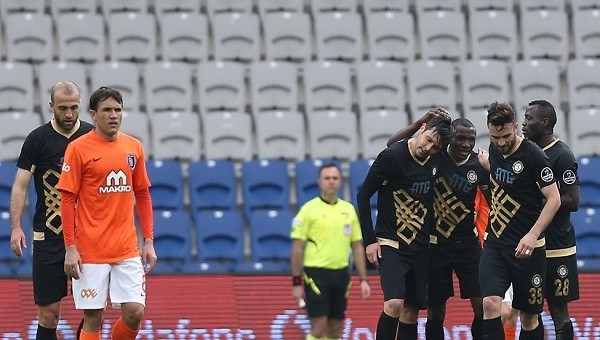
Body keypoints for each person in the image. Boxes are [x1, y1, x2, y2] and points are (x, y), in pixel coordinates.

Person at [57, 86, 157, 340]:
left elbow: (143, 195)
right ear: (93, 114)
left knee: (135, 312)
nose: (114, 115)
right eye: (107, 110)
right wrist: (70, 247)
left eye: (118, 109)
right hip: (90, 250)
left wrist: (148, 240)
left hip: (126, 248)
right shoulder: (79, 149)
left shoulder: (133, 147)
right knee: (94, 317)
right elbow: (67, 200)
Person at [387, 111, 490, 340]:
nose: (466, 144)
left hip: (468, 245)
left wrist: (491, 169)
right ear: (449, 138)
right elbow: (392, 145)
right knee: (436, 311)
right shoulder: (435, 155)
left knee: (483, 305)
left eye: (471, 139)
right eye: (460, 138)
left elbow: (496, 199)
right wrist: (418, 125)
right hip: (435, 246)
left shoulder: (479, 165)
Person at [357, 112, 453, 340]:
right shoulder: (392, 157)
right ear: (422, 130)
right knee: (394, 303)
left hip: (420, 245)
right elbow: (363, 196)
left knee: (411, 311)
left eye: (435, 146)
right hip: (391, 241)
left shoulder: (435, 160)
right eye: (428, 139)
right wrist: (370, 241)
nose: (428, 147)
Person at [9, 81, 94, 340]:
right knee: (48, 315)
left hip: (88, 237)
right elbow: (20, 186)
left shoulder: (93, 137)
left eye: (74, 108)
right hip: (48, 235)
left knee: (93, 313)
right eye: (63, 108)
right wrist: (15, 227)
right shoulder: (37, 140)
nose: (69, 114)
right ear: (51, 107)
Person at [477, 101, 561, 340]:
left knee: (529, 317)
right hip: (496, 245)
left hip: (528, 250)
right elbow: (506, 180)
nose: (501, 142)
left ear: (515, 126)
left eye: (505, 136)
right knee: (491, 305)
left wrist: (533, 235)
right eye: (495, 137)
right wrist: (490, 167)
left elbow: (554, 199)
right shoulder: (494, 150)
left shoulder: (534, 156)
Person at [291, 162, 371, 340]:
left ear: (340, 181)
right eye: (327, 178)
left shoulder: (348, 210)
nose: (331, 182)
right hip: (316, 274)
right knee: (319, 327)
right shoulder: (308, 210)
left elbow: (357, 245)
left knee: (335, 329)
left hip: (341, 274)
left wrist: (363, 279)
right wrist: (296, 281)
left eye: (335, 178)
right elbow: (297, 247)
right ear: (319, 182)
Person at [522, 99, 580, 340]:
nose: (524, 123)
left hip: (557, 246)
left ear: (544, 123)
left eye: (529, 118)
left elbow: (573, 201)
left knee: (558, 311)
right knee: (528, 311)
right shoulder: (524, 150)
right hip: (530, 244)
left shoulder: (562, 155)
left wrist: (543, 200)